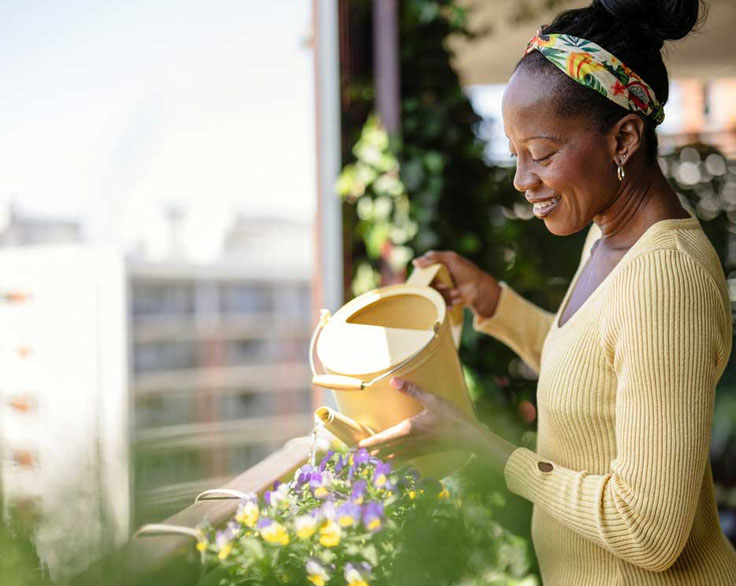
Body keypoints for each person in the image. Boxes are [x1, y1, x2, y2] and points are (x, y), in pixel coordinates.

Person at [358, 0, 736, 583]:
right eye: (515, 155)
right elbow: (594, 373)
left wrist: (490, 450)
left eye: (541, 153)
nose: (522, 180)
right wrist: (492, 302)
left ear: (624, 139)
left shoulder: (666, 277)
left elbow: (650, 530)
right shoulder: (610, 237)